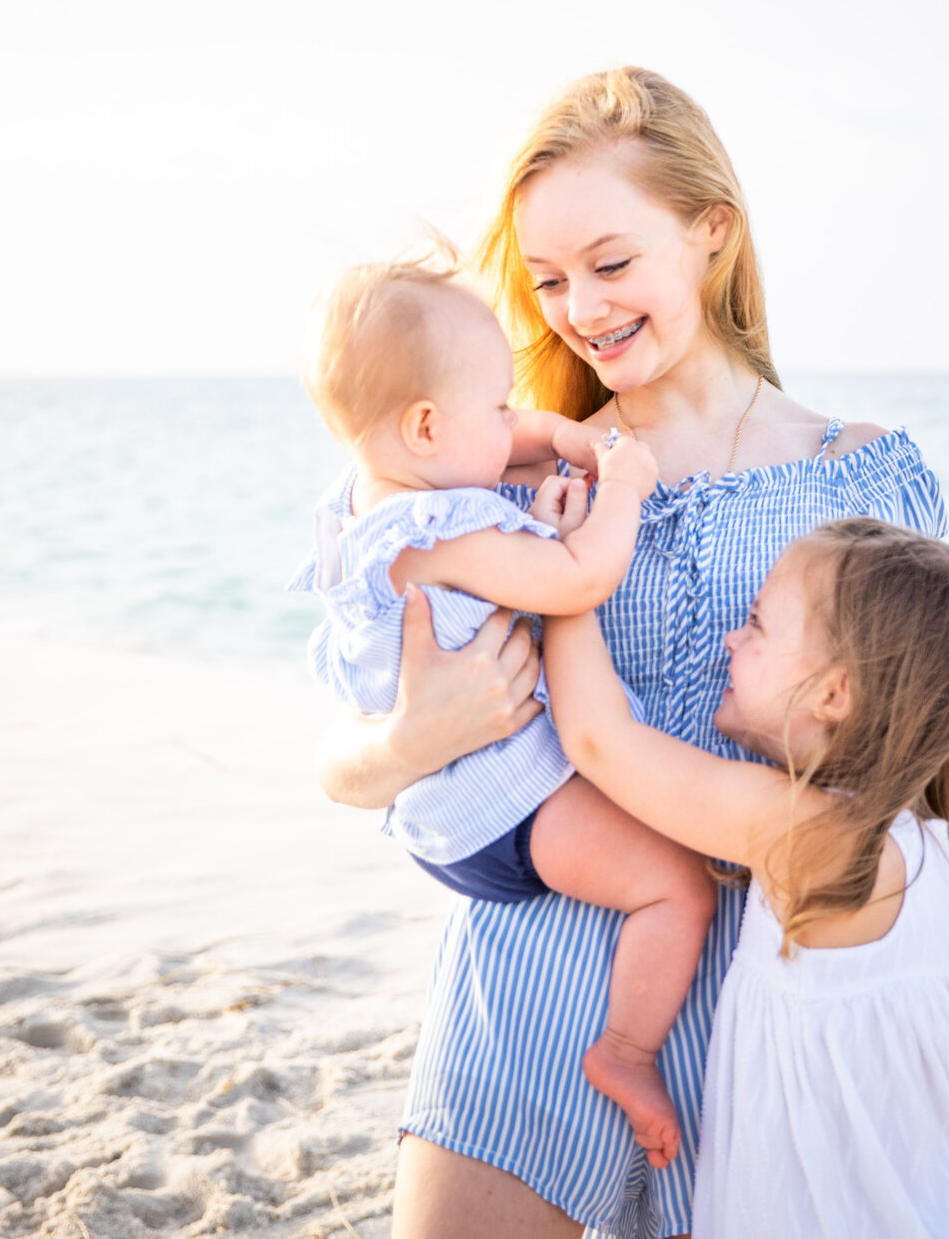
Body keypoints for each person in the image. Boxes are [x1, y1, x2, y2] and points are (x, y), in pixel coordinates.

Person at [312, 67, 949, 1238]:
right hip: (535, 965)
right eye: (550, 277)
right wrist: (403, 743)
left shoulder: (864, 474)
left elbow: (889, 771)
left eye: (612, 264)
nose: (578, 308)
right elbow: (344, 755)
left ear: (711, 233)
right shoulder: (487, 468)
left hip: (762, 1003)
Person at [290, 257, 717, 1166]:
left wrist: (556, 434)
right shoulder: (439, 534)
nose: (517, 424)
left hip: (442, 812)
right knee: (675, 886)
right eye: (498, 405)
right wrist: (626, 488)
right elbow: (577, 578)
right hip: (506, 806)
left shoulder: (375, 492)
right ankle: (628, 1052)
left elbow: (506, 440)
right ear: (427, 425)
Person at [546, 517, 949, 1238]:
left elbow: (600, 740)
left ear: (834, 694)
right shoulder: (924, 837)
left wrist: (568, 577)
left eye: (755, 622)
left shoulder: (811, 839)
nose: (732, 636)